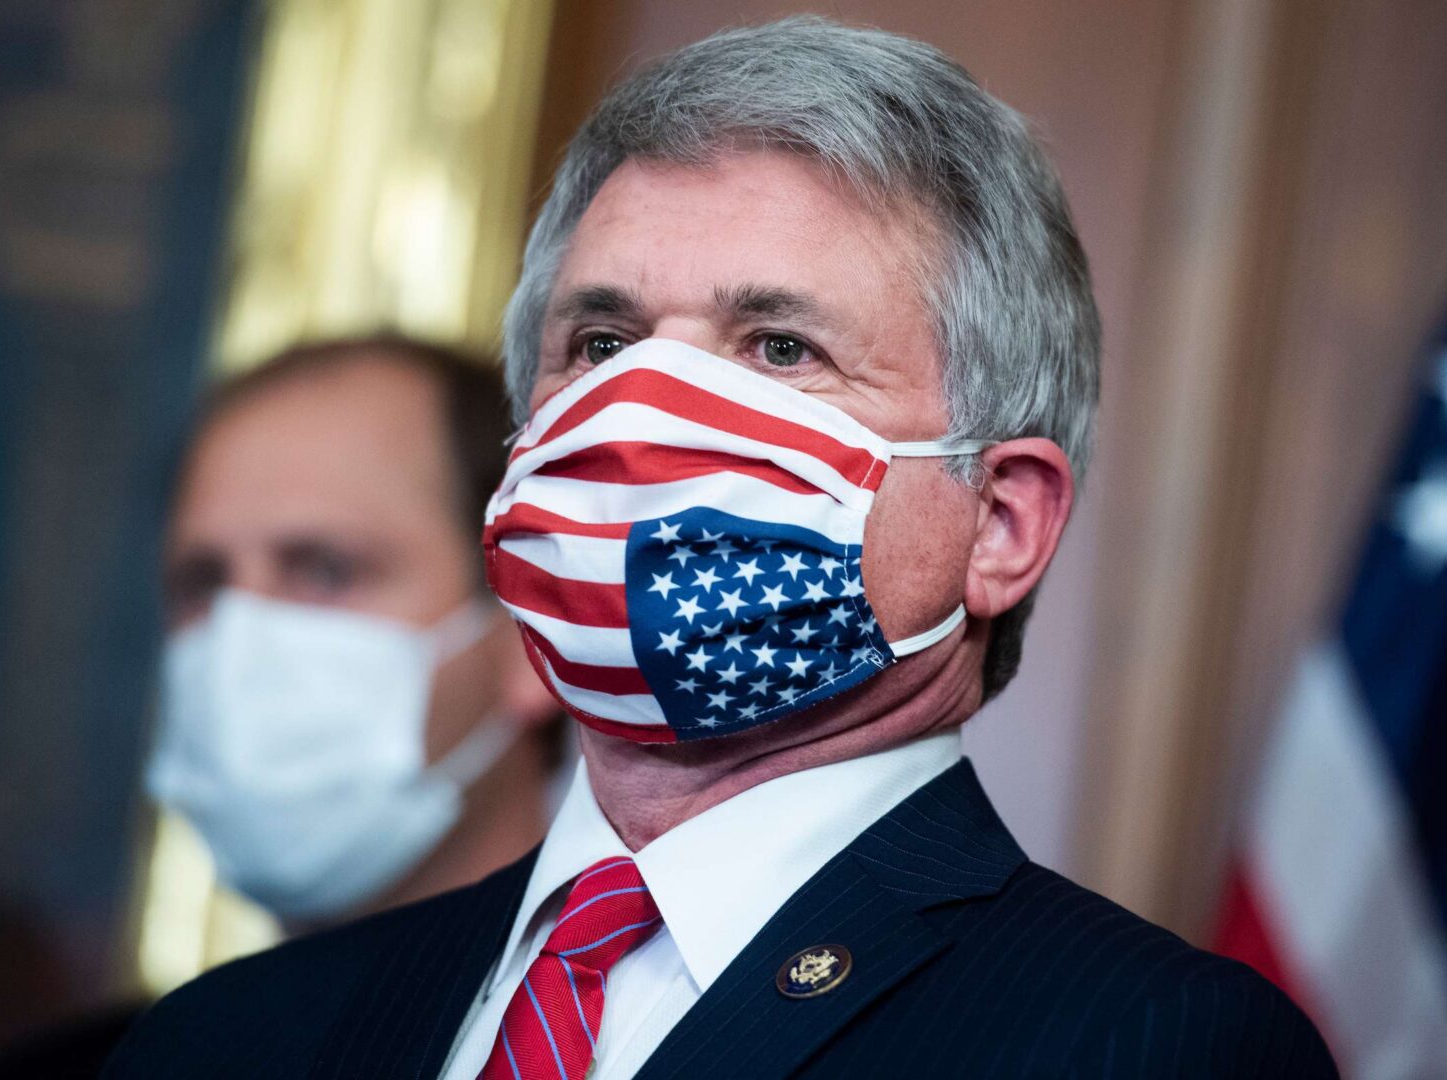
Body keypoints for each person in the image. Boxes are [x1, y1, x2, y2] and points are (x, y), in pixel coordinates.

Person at [105, 18, 1337, 1078]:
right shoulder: (227, 1040)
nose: (642, 421)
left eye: (778, 349)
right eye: (600, 343)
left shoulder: (1147, 1044)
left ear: (1001, 523)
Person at [148, 336, 564, 926]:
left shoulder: (684, 1011)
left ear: (537, 628)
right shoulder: (179, 1024)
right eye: (203, 584)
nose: (238, 644)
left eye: (326, 570)